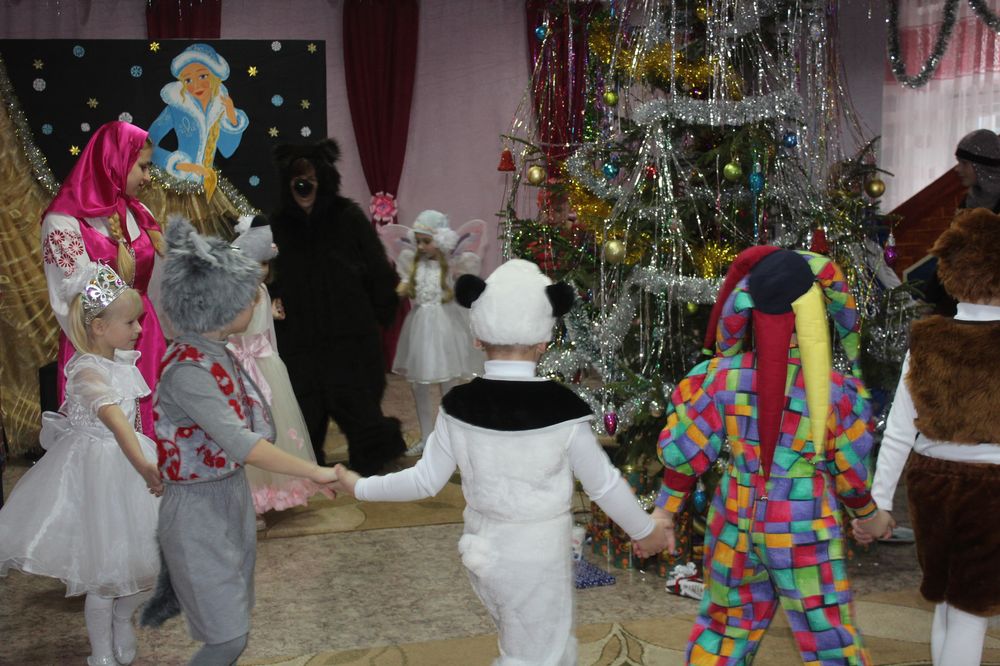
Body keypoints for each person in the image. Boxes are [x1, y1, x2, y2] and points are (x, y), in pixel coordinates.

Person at [331, 259, 671, 665]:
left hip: (482, 550)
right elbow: (604, 484)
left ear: (477, 338)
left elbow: (424, 481)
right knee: (535, 656)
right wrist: (645, 530)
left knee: (525, 643)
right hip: (536, 558)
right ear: (544, 340)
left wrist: (361, 486)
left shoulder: (457, 405)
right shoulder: (563, 410)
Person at [653, 247, 876, 664]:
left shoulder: (722, 378)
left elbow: (687, 448)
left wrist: (665, 511)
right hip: (803, 525)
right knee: (826, 632)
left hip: (734, 518)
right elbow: (850, 471)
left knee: (725, 627)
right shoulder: (835, 392)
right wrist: (868, 514)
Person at [139, 218, 338, 665]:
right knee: (227, 638)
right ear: (218, 305)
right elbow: (242, 442)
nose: (255, 300)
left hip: (231, 497)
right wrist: (314, 471)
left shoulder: (219, 353)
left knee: (233, 625)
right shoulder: (189, 370)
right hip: (198, 512)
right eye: (246, 296)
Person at [855, 208, 1000, 666]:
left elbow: (899, 430)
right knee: (971, 610)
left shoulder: (926, 340)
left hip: (930, 484)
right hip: (992, 489)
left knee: (946, 597)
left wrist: (880, 501)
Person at [0, 262, 162, 666]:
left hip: (130, 465)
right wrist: (143, 465)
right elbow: (115, 420)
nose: (139, 329)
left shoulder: (124, 364)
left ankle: (124, 618)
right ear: (99, 328)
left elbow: (134, 422)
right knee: (103, 576)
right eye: (130, 322)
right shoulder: (85, 370)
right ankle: (101, 653)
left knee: (150, 566)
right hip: (97, 474)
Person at [268, 138, 405, 472]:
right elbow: (264, 274)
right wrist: (271, 300)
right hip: (299, 339)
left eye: (310, 180)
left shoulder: (348, 217)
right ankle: (306, 465)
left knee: (359, 404)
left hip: (350, 338)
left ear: (323, 179)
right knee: (304, 410)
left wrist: (383, 307)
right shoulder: (277, 226)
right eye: (297, 181)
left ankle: (372, 459)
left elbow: (376, 267)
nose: (304, 187)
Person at [42, 120, 166, 441]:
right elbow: (75, 300)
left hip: (147, 340)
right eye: (142, 167)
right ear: (116, 162)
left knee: (155, 438)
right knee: (108, 443)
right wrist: (111, 354)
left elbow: (155, 287)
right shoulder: (63, 222)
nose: (148, 177)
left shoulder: (140, 214)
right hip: (97, 349)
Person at [227, 215, 332, 518]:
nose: (262, 270)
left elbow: (265, 332)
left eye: (265, 264)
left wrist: (270, 319)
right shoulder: (236, 294)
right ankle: (252, 499)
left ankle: (277, 490)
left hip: (266, 366)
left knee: (275, 424)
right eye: (256, 263)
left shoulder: (262, 291)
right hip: (242, 369)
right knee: (248, 429)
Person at [384, 210, 486, 456]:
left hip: (445, 329)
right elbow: (402, 288)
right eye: (418, 241)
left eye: (426, 241)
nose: (420, 246)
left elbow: (464, 287)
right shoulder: (413, 264)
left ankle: (451, 438)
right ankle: (427, 437)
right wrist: (393, 292)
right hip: (420, 329)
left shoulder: (451, 265)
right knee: (418, 385)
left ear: (440, 241)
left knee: (448, 384)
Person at [148, 43, 249, 201]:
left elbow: (228, 150)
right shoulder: (177, 107)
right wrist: (178, 164)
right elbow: (146, 145)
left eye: (202, 76)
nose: (196, 85)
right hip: (178, 184)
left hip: (207, 185)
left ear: (214, 76)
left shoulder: (220, 109)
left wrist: (231, 118)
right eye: (188, 80)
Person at [918, 129, 1000, 315]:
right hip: (964, 300)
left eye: (964, 163)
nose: (957, 169)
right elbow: (951, 255)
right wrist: (927, 300)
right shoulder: (968, 203)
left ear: (982, 166)